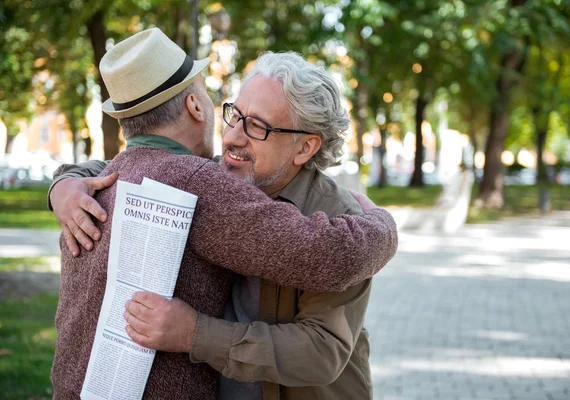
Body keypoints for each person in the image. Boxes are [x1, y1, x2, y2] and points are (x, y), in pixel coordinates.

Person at [49, 28, 398, 400]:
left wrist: (194, 334)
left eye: (258, 127)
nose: (232, 138)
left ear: (305, 147)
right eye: (234, 115)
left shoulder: (339, 216)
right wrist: (65, 184)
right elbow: (137, 163)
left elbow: (321, 352)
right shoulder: (210, 179)